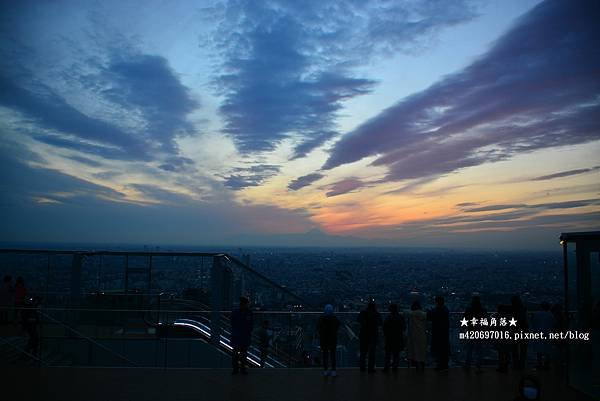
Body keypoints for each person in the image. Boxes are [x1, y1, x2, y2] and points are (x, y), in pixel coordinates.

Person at [464, 295, 487, 373]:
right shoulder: (483, 310)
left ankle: (467, 365)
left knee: (470, 349)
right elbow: (486, 320)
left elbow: (465, 319)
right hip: (480, 331)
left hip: (471, 331)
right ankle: (478, 367)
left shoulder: (468, 309)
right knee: (479, 350)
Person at [231, 296, 253, 374]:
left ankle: (235, 369)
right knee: (244, 353)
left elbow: (232, 323)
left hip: (236, 335)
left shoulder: (235, 312)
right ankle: (242, 369)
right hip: (244, 335)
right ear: (246, 304)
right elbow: (250, 325)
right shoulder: (249, 313)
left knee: (235, 352)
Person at [358, 300, 382, 373]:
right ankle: (370, 368)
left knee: (363, 353)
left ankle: (362, 368)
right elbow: (380, 323)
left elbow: (358, 320)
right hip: (373, 335)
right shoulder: (376, 314)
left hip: (363, 335)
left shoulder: (362, 313)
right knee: (372, 353)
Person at [530, 302, 555, 370]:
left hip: (538, 333)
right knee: (547, 349)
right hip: (548, 334)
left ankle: (539, 364)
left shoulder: (537, 314)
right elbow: (553, 324)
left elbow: (533, 322)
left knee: (539, 350)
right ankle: (547, 364)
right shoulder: (551, 315)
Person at [317, 304, 340, 377]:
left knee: (325, 354)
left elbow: (318, 328)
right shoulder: (335, 319)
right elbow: (337, 327)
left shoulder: (321, 319)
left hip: (324, 339)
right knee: (333, 355)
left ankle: (325, 370)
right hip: (333, 339)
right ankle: (333, 371)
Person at [428, 296, 450, 370]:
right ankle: (445, 365)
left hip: (437, 332)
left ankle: (439, 365)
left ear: (437, 302)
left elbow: (430, 317)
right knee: (444, 349)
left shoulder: (436, 310)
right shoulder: (446, 309)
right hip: (444, 332)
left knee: (438, 349)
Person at [383, 303, 405, 372]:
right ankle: (395, 368)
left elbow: (384, 327)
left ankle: (386, 368)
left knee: (388, 354)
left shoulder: (388, 317)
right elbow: (404, 327)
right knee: (396, 354)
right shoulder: (400, 317)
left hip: (389, 338)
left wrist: (386, 335)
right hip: (398, 338)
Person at [406, 301, 427, 371]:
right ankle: (422, 365)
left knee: (414, 350)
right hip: (422, 334)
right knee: (422, 351)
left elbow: (405, 312)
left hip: (413, 335)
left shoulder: (410, 314)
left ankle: (416, 365)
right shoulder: (423, 314)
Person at [511, 295, 529, 369]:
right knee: (523, 349)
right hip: (524, 330)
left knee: (514, 349)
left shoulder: (512, 310)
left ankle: (515, 365)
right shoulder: (524, 309)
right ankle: (522, 365)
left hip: (515, 330)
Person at [496, 304, 512, 373]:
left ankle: (501, 366)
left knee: (501, 353)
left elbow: (497, 327)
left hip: (500, 337)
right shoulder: (509, 317)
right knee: (507, 352)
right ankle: (506, 366)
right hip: (508, 336)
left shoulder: (498, 317)